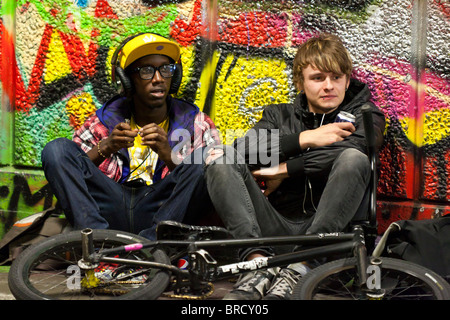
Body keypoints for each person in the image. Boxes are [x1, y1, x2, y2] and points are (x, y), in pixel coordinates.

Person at [204, 33, 385, 300]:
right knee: (220, 156)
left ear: (347, 80)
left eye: (336, 77)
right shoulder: (278, 115)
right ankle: (255, 265)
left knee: (352, 158)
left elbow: (353, 152)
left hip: (328, 237)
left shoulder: (366, 116)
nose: (328, 86)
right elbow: (242, 151)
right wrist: (304, 139)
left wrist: (286, 169)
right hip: (274, 228)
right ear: (300, 81)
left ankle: (301, 268)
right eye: (318, 78)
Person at [41, 33, 220, 240]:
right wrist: (105, 147)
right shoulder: (104, 121)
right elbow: (71, 172)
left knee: (205, 162)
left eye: (166, 69)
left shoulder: (196, 123)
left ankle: (152, 248)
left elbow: (211, 183)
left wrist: (168, 154)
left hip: (162, 214)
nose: (158, 79)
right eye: (146, 71)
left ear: (176, 75)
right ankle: (94, 243)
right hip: (110, 208)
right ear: (126, 80)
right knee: (56, 150)